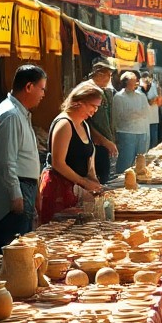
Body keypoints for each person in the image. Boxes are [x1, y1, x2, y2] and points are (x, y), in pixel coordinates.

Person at [0, 64, 46, 255]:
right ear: (29, 87)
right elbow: (5, 161)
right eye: (41, 88)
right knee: (12, 254)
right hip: (16, 191)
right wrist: (15, 194)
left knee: (20, 252)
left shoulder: (19, 112)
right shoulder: (10, 115)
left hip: (24, 187)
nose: (43, 94)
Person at [39, 82, 105, 223]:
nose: (95, 111)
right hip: (59, 189)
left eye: (97, 107)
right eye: (93, 106)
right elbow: (58, 163)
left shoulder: (83, 124)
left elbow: (89, 157)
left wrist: (94, 181)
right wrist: (84, 182)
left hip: (76, 189)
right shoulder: (64, 124)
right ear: (79, 102)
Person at [85, 61, 118, 184]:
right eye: (108, 75)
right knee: (98, 180)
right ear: (98, 74)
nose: (110, 78)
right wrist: (103, 140)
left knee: (104, 178)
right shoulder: (89, 90)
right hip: (95, 144)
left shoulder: (104, 91)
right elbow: (86, 123)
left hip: (104, 142)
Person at [113, 72, 151, 175]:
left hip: (141, 131)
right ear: (125, 82)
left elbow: (146, 111)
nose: (135, 84)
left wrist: (134, 114)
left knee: (141, 160)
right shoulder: (119, 97)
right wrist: (135, 114)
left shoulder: (141, 95)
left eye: (135, 81)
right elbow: (120, 116)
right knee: (126, 159)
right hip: (126, 132)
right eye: (132, 82)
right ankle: (121, 179)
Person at [140, 71, 162, 149]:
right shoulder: (139, 88)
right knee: (146, 141)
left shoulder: (154, 86)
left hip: (154, 118)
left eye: (148, 77)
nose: (146, 79)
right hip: (144, 119)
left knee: (154, 139)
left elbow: (159, 102)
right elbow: (148, 102)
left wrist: (158, 95)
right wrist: (154, 99)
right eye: (144, 77)